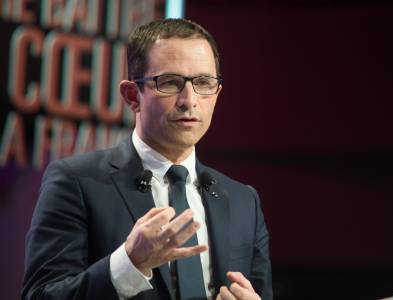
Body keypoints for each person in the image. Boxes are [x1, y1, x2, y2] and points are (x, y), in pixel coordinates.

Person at [22, 18, 272, 300]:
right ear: (132, 96)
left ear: (216, 93)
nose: (189, 100)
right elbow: (40, 295)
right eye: (169, 83)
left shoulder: (243, 201)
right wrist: (129, 263)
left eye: (203, 82)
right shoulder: (76, 182)